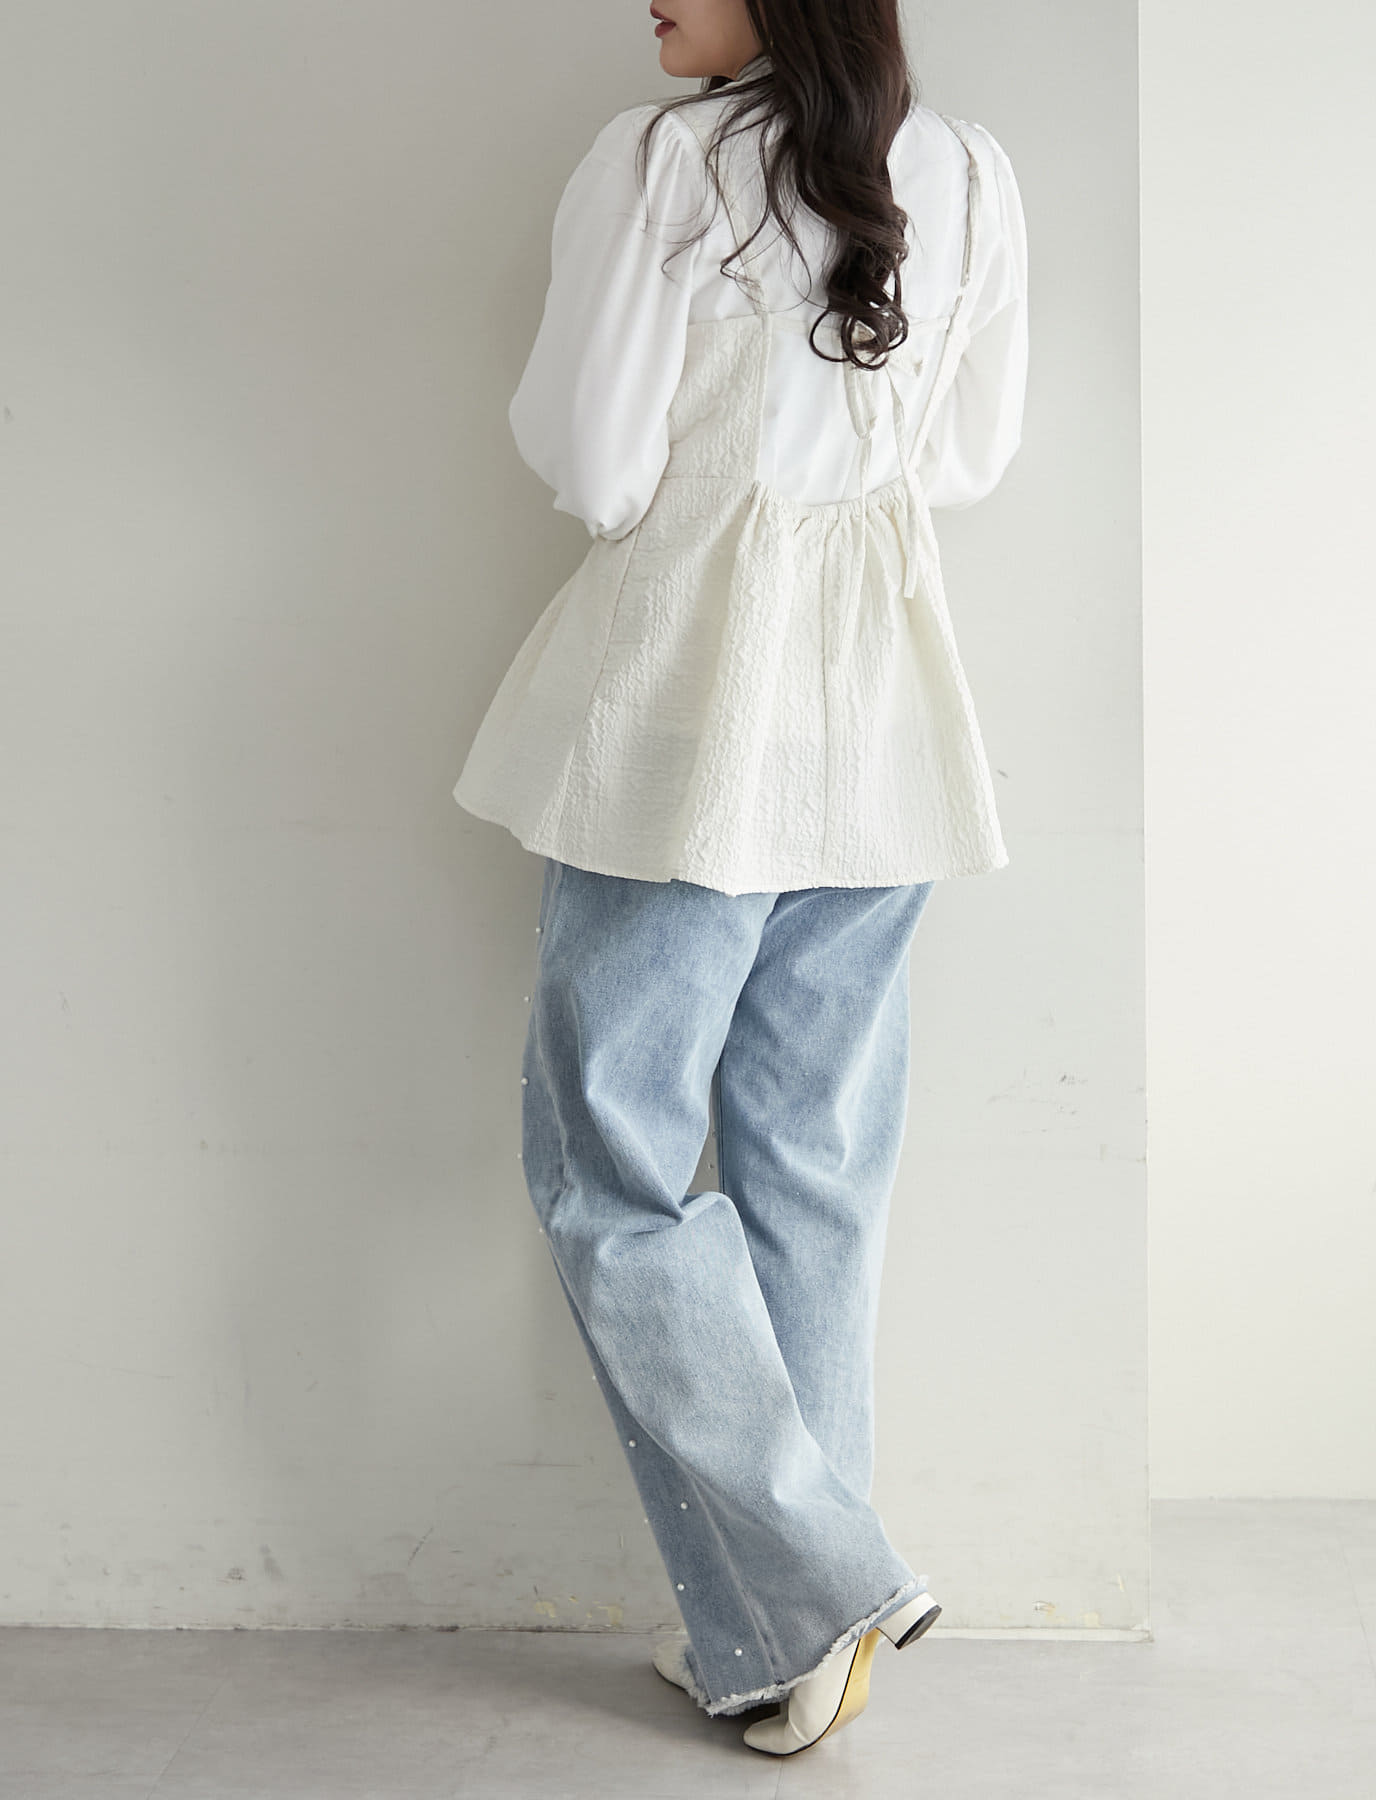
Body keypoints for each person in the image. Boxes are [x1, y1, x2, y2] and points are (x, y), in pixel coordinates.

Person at [452, 0, 1029, 1758]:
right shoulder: (969, 172)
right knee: (815, 1170)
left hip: (693, 704)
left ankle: (824, 1580)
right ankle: (789, 1637)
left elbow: (592, 460)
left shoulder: (660, 164)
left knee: (608, 1167)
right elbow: (969, 457)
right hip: (886, 702)